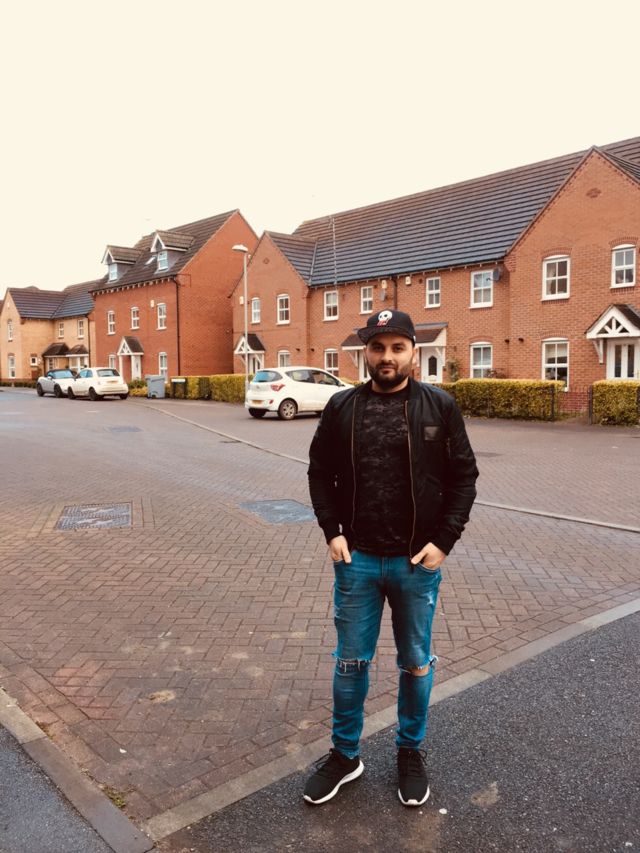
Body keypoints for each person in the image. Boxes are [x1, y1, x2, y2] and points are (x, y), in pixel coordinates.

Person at [304, 309, 478, 807]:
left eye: (397, 348)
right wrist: (332, 531)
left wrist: (443, 542)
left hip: (415, 563)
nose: (387, 357)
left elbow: (464, 477)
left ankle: (409, 751)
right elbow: (319, 472)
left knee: (415, 664)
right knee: (350, 664)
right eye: (378, 347)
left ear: (413, 353)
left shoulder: (439, 406)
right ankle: (345, 756)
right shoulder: (342, 406)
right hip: (356, 559)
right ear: (366, 353)